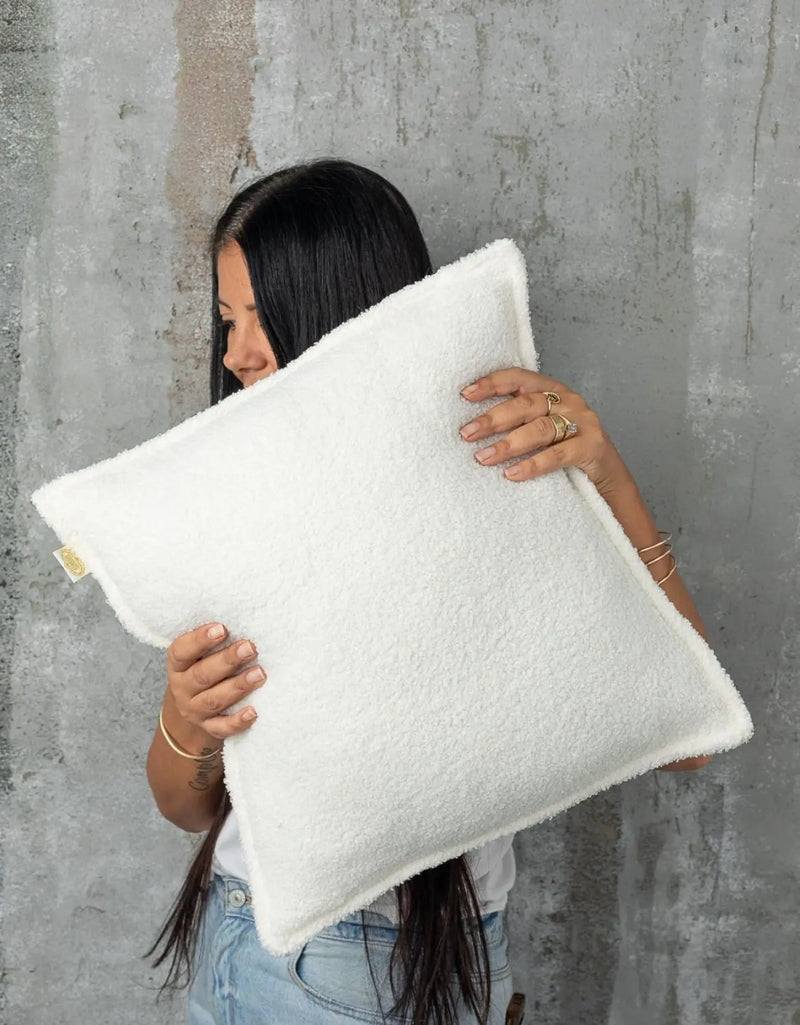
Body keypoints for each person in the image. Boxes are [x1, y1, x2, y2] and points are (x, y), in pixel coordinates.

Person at [144, 157, 713, 1025]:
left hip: (375, 969)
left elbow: (686, 737)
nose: (236, 353)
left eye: (264, 317)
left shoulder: (494, 473)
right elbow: (188, 809)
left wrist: (606, 477)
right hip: (239, 940)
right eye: (228, 319)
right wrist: (188, 716)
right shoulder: (245, 500)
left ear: (347, 311)